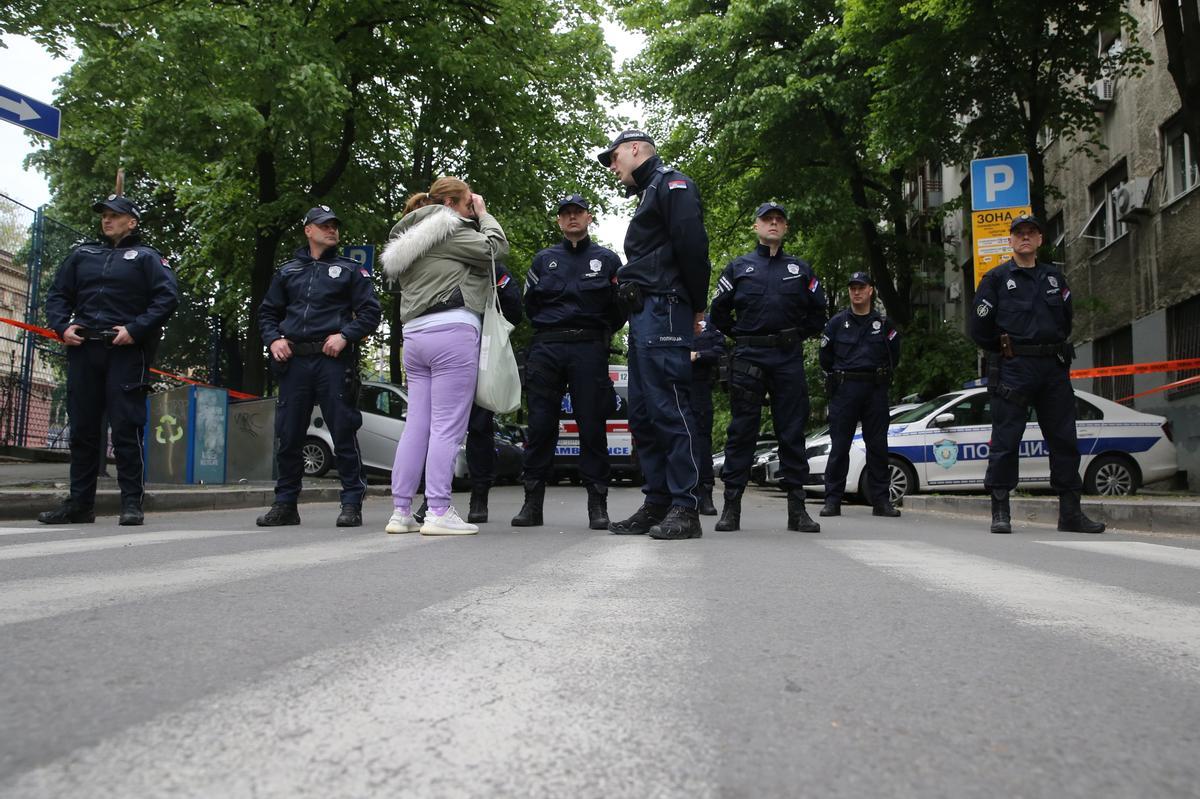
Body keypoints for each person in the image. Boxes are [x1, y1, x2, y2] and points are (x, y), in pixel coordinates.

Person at [598, 129, 712, 540]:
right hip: (645, 311)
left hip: (666, 307)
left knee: (669, 407)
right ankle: (659, 500)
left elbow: (692, 245)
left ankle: (686, 506)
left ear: (634, 149)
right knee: (643, 414)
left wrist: (696, 304)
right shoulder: (650, 192)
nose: (613, 168)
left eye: (613, 159)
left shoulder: (672, 184)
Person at [39, 193, 179, 526]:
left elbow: (167, 297)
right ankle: (80, 504)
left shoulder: (146, 257)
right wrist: (62, 326)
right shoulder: (82, 254)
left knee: (126, 428)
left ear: (132, 221)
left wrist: (136, 328)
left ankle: (131, 503)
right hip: (85, 349)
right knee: (83, 430)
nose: (107, 219)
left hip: (125, 352)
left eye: (115, 214)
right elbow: (57, 295)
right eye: (104, 214)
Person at [380, 177, 509, 536]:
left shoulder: (406, 237)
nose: (472, 209)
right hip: (452, 330)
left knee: (416, 426)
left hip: (415, 335)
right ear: (451, 203)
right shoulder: (448, 228)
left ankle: (401, 511)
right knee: (448, 426)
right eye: (468, 203)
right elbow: (495, 249)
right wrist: (484, 215)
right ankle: (438, 508)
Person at [968, 214, 1104, 535]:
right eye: (1019, 234)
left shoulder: (1055, 278)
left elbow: (1066, 322)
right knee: (1006, 439)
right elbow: (978, 328)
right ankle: (1001, 512)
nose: (1025, 238)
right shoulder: (996, 279)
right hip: (1014, 367)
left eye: (1031, 233)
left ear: (1040, 240)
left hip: (1053, 367)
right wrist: (1005, 349)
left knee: (1064, 439)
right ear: (1011, 241)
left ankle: (1070, 513)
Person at [256, 205, 381, 528]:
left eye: (335, 225)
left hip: (333, 362)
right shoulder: (287, 272)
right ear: (308, 230)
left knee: (343, 430)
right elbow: (268, 312)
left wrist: (345, 335)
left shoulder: (351, 271)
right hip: (294, 360)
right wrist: (273, 340)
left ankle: (352, 501)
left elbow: (370, 312)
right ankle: (285, 504)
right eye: (324, 225)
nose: (331, 230)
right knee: (289, 434)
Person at [709, 202, 825, 533]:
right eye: (766, 219)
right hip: (748, 356)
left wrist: (795, 336)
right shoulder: (738, 267)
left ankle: (797, 510)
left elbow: (818, 313)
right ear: (756, 226)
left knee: (791, 431)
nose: (773, 223)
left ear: (785, 228)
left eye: (779, 220)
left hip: (787, 358)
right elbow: (718, 313)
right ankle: (731, 507)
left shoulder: (801, 269)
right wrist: (742, 337)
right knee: (741, 431)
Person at [511, 194, 623, 530]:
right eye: (566, 214)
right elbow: (530, 305)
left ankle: (598, 505)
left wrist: (597, 333)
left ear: (589, 218)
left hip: (589, 346)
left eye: (578, 212)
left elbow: (618, 309)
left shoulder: (607, 260)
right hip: (548, 346)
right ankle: (532, 504)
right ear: (559, 221)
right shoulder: (544, 260)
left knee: (592, 425)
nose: (572, 218)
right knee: (542, 425)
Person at [818, 272, 902, 518]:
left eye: (861, 287)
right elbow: (825, 357)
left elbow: (894, 355)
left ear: (870, 290)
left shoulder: (884, 324)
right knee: (840, 446)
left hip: (875, 389)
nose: (856, 292)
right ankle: (832, 500)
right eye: (853, 288)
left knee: (877, 446)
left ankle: (881, 501)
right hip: (845, 389)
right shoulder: (836, 323)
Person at [691, 314, 726, 515]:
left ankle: (705, 494)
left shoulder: (711, 324)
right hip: (675, 387)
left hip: (700, 389)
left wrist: (697, 355)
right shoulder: (672, 318)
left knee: (702, 443)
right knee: (676, 440)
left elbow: (720, 351)